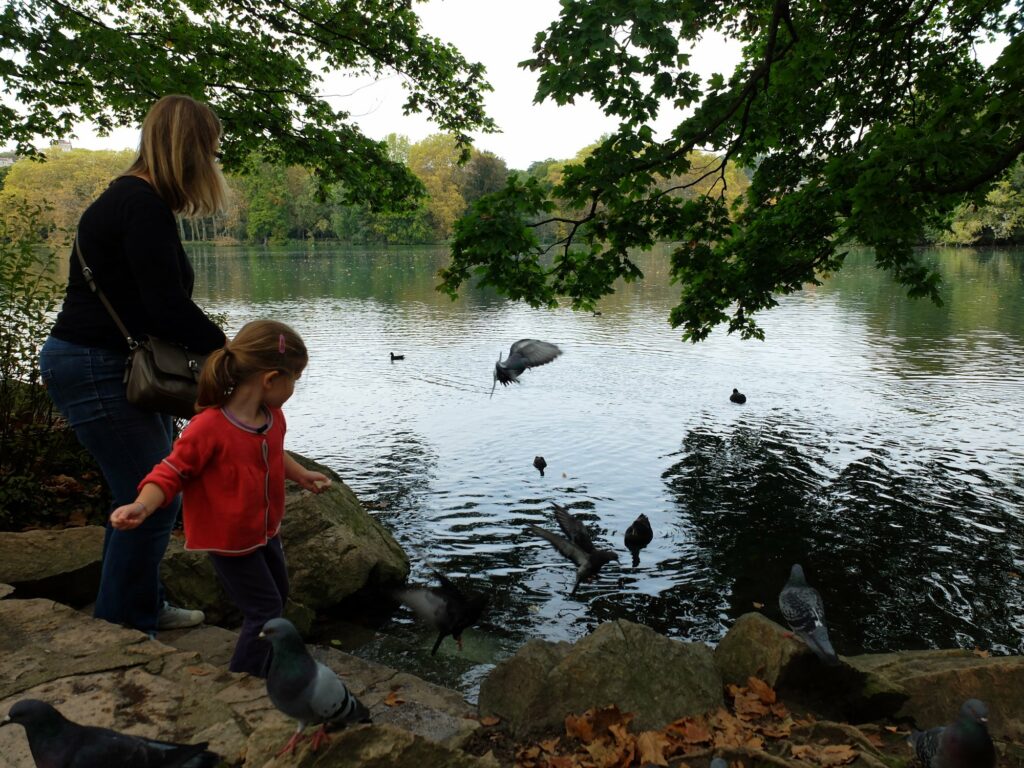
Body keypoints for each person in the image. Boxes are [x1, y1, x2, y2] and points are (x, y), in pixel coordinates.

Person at [39, 94, 229, 636]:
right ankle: (124, 628)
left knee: (140, 495)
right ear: (188, 149)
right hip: (96, 366)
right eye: (208, 151)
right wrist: (230, 353)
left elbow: (150, 303)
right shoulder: (140, 205)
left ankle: (140, 606)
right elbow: (162, 307)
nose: (210, 164)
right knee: (153, 495)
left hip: (107, 365)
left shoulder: (127, 199)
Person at [109, 320, 331, 677]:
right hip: (230, 540)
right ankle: (244, 676)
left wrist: (300, 474)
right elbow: (171, 471)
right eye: (295, 379)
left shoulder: (272, 418)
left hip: (265, 530)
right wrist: (142, 505)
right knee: (264, 608)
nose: (294, 388)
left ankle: (265, 660)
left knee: (279, 592)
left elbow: (275, 452)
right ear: (271, 379)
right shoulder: (209, 427)